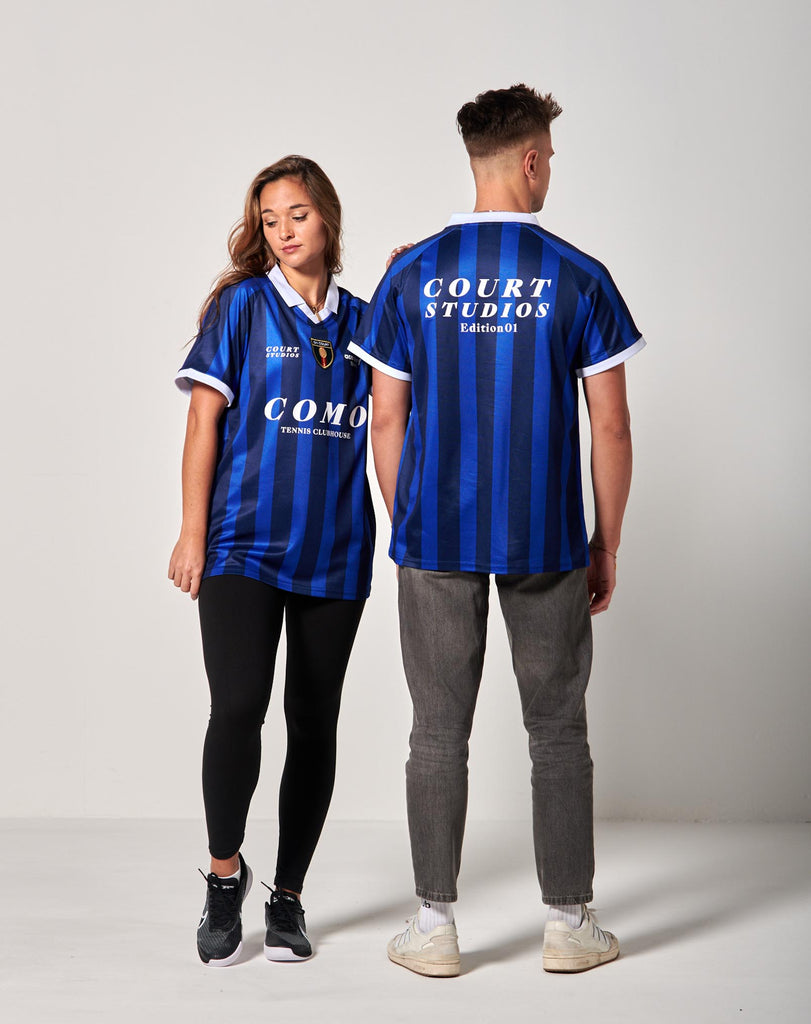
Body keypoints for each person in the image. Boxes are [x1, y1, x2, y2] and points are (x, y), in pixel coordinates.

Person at [348, 85, 645, 977]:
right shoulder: (578, 275)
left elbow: (385, 418)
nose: (550, 170)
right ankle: (568, 925)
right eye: (549, 157)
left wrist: (409, 519)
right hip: (545, 536)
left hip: (433, 534)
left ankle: (433, 928)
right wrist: (605, 543)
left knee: (436, 731)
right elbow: (611, 427)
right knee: (556, 730)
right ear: (529, 159)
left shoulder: (409, 274)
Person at [168, 155, 375, 967]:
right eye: (268, 220)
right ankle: (225, 878)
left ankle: (286, 895)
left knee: (313, 722)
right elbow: (202, 424)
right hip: (241, 547)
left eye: (297, 214)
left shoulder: (366, 322)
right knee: (237, 708)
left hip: (335, 551)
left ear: (327, 215)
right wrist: (192, 533)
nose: (284, 231)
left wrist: (406, 281)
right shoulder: (242, 307)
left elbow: (401, 418)